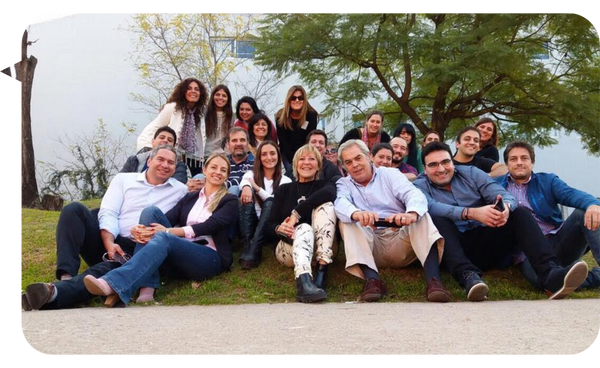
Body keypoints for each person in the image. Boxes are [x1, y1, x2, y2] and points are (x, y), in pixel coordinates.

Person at [414, 141, 588, 301]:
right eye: (433, 165)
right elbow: (432, 206)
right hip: (452, 248)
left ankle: (551, 275)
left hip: (485, 242)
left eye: (445, 162)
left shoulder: (472, 173)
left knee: (519, 212)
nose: (441, 169)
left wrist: (505, 208)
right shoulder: (419, 185)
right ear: (424, 168)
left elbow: (504, 195)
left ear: (452, 161)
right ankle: (468, 278)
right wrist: (471, 213)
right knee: (437, 218)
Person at [20, 145, 188, 310]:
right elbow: (108, 211)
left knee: (103, 271)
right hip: (109, 238)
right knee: (73, 209)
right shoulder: (123, 179)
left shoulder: (180, 191)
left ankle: (54, 293)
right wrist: (109, 242)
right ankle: (66, 276)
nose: (165, 165)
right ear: (149, 161)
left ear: (175, 168)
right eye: (160, 159)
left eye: (171, 162)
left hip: (138, 249)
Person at [83, 154, 239, 306]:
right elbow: (165, 218)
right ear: (204, 170)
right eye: (214, 167)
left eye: (223, 170)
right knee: (150, 212)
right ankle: (147, 285)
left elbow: (209, 226)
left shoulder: (229, 200)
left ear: (226, 176)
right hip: (181, 252)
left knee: (164, 237)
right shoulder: (190, 197)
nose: (218, 172)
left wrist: (168, 232)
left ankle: (111, 283)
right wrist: (136, 229)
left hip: (209, 258)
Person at [335, 140, 450, 303]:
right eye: (348, 162)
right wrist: (357, 214)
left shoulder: (390, 174)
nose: (355, 165)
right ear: (344, 166)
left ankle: (434, 281)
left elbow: (413, 195)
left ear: (368, 156)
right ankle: (372, 281)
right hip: (370, 245)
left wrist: (410, 214)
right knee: (347, 220)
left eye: (358, 158)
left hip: (399, 239)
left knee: (421, 214)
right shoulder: (344, 183)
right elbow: (340, 203)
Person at [498, 141, 600, 289]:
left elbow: (571, 194)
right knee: (540, 281)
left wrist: (593, 204)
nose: (519, 162)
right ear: (507, 164)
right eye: (513, 159)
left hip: (557, 241)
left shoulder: (547, 181)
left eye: (524, 158)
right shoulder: (496, 186)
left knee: (585, 212)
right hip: (527, 252)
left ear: (532, 162)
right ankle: (593, 277)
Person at [268, 144, 337, 303]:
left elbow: (329, 194)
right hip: (290, 249)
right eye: (302, 159)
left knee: (327, 206)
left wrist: (296, 213)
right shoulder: (284, 190)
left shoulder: (326, 186)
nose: (306, 162)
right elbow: (269, 225)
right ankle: (304, 283)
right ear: (295, 164)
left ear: (318, 165)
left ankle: (321, 272)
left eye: (312, 159)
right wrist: (279, 228)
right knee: (304, 228)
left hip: (322, 249)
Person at [137, 78, 208, 176]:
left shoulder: (200, 112)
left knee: (197, 178)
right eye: (189, 88)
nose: (193, 91)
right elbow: (157, 127)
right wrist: (152, 147)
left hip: (190, 156)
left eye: (196, 89)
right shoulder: (172, 108)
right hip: (160, 148)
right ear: (183, 91)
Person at [238, 142, 292, 269]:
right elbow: (245, 180)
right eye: (264, 154)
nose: (269, 157)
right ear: (259, 158)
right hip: (252, 223)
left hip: (272, 226)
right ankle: (247, 245)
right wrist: (246, 187)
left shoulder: (286, 181)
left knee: (270, 202)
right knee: (244, 197)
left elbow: (274, 201)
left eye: (272, 153)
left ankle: (254, 250)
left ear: (278, 156)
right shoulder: (251, 175)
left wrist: (257, 189)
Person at [275, 85, 319, 177]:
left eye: (300, 98)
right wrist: (294, 160)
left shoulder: (311, 115)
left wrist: (301, 158)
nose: (297, 100)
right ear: (289, 99)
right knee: (292, 175)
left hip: (305, 152)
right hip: (287, 154)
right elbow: (283, 141)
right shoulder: (280, 116)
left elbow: (309, 139)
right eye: (293, 98)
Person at [121, 126, 188, 184]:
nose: (165, 141)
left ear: (173, 147)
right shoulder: (134, 160)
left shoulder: (178, 165)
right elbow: (120, 180)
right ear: (153, 141)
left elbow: (178, 184)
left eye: (169, 140)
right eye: (162, 137)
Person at [203, 84, 234, 158]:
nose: (220, 98)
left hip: (225, 155)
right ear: (213, 96)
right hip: (206, 155)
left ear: (228, 99)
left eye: (224, 96)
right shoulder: (205, 112)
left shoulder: (230, 116)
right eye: (217, 94)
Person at [225, 127, 255, 196]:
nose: (238, 144)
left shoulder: (256, 163)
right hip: (221, 198)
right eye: (234, 140)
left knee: (234, 188)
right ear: (227, 144)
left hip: (247, 201)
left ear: (248, 143)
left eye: (242, 140)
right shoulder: (222, 163)